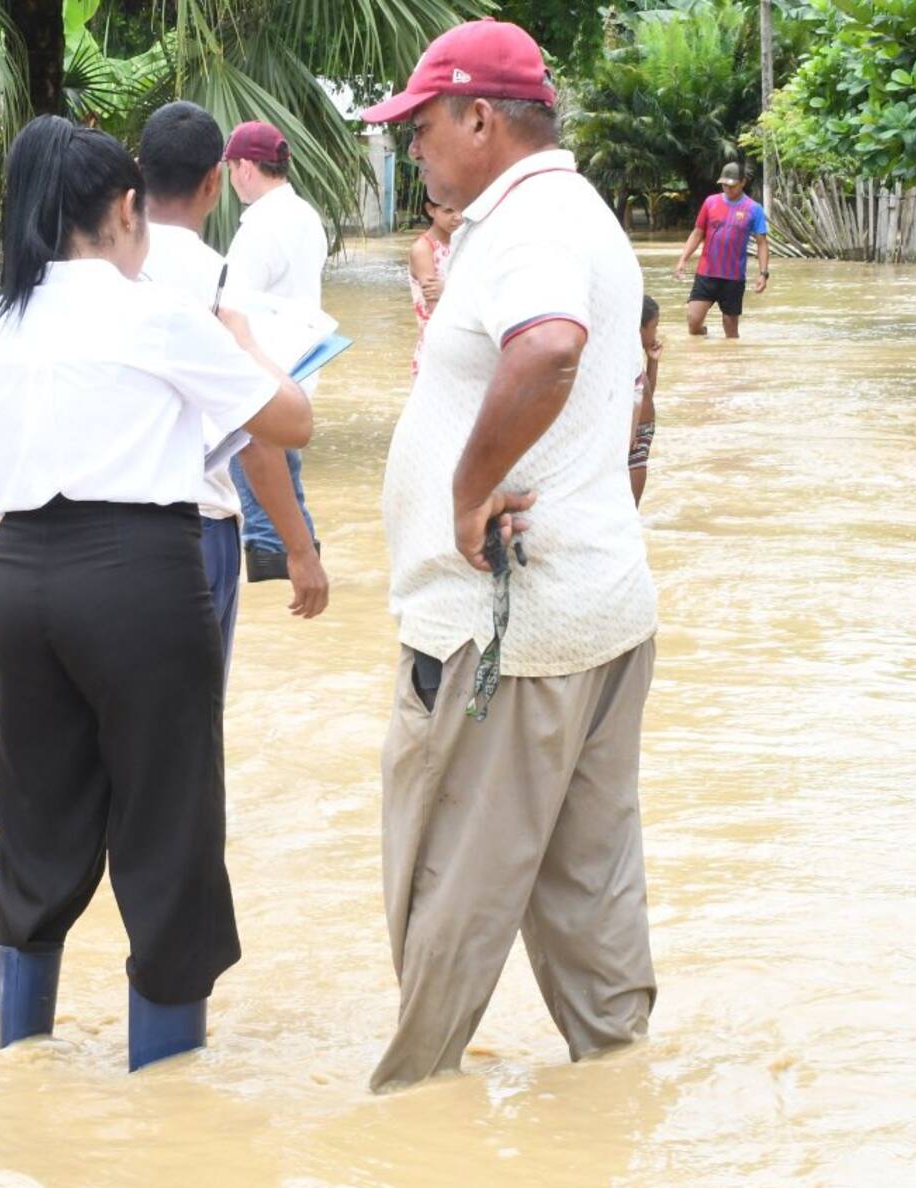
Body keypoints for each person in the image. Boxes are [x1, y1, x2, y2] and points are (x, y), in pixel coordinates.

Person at [0, 115, 312, 1072]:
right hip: (138, 575)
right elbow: (293, 420)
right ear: (123, 208)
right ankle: (165, 1087)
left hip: (17, 579)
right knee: (168, 818)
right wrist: (237, 333)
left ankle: (20, 1059)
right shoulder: (157, 312)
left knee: (36, 814)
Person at [361, 18, 659, 1091]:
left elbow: (548, 347)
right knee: (590, 892)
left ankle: (410, 1118)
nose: (413, 148)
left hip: (508, 634)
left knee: (447, 887)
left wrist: (467, 488)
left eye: (422, 125)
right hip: (599, 610)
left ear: (480, 117)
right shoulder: (572, 214)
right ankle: (615, 1093)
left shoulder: (528, 223)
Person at [137, 101, 328, 631]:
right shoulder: (222, 268)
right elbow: (262, 431)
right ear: (214, 181)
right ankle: (280, 550)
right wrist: (302, 552)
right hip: (262, 403)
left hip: (113, 524)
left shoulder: (103, 271)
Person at [223, 119, 328, 583]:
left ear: (245, 167)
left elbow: (230, 307)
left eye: (231, 168)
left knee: (257, 480)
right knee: (286, 475)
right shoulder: (304, 215)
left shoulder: (260, 227)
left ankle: (277, 568)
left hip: (262, 371)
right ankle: (305, 557)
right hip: (301, 368)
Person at [673, 162, 769, 338]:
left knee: (731, 332)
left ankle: (732, 363)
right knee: (693, 322)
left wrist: (763, 273)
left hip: (733, 278)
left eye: (732, 185)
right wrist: (683, 259)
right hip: (707, 273)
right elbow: (697, 233)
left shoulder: (754, 209)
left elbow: (762, 243)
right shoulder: (710, 203)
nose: (728, 189)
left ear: (743, 182)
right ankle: (705, 335)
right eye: (724, 185)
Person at [408, 197, 462, 375]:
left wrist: (448, 289)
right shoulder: (424, 249)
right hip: (437, 347)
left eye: (461, 210)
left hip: (462, 344)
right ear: (431, 210)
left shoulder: (462, 243)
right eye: (448, 211)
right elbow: (435, 308)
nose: (458, 217)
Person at [629, 294, 662, 505]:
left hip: (638, 434)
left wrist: (653, 362)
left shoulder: (633, 353)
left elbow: (646, 392)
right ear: (639, 328)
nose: (656, 333)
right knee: (630, 507)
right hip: (634, 438)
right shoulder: (627, 353)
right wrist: (631, 434)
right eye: (654, 327)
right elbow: (634, 399)